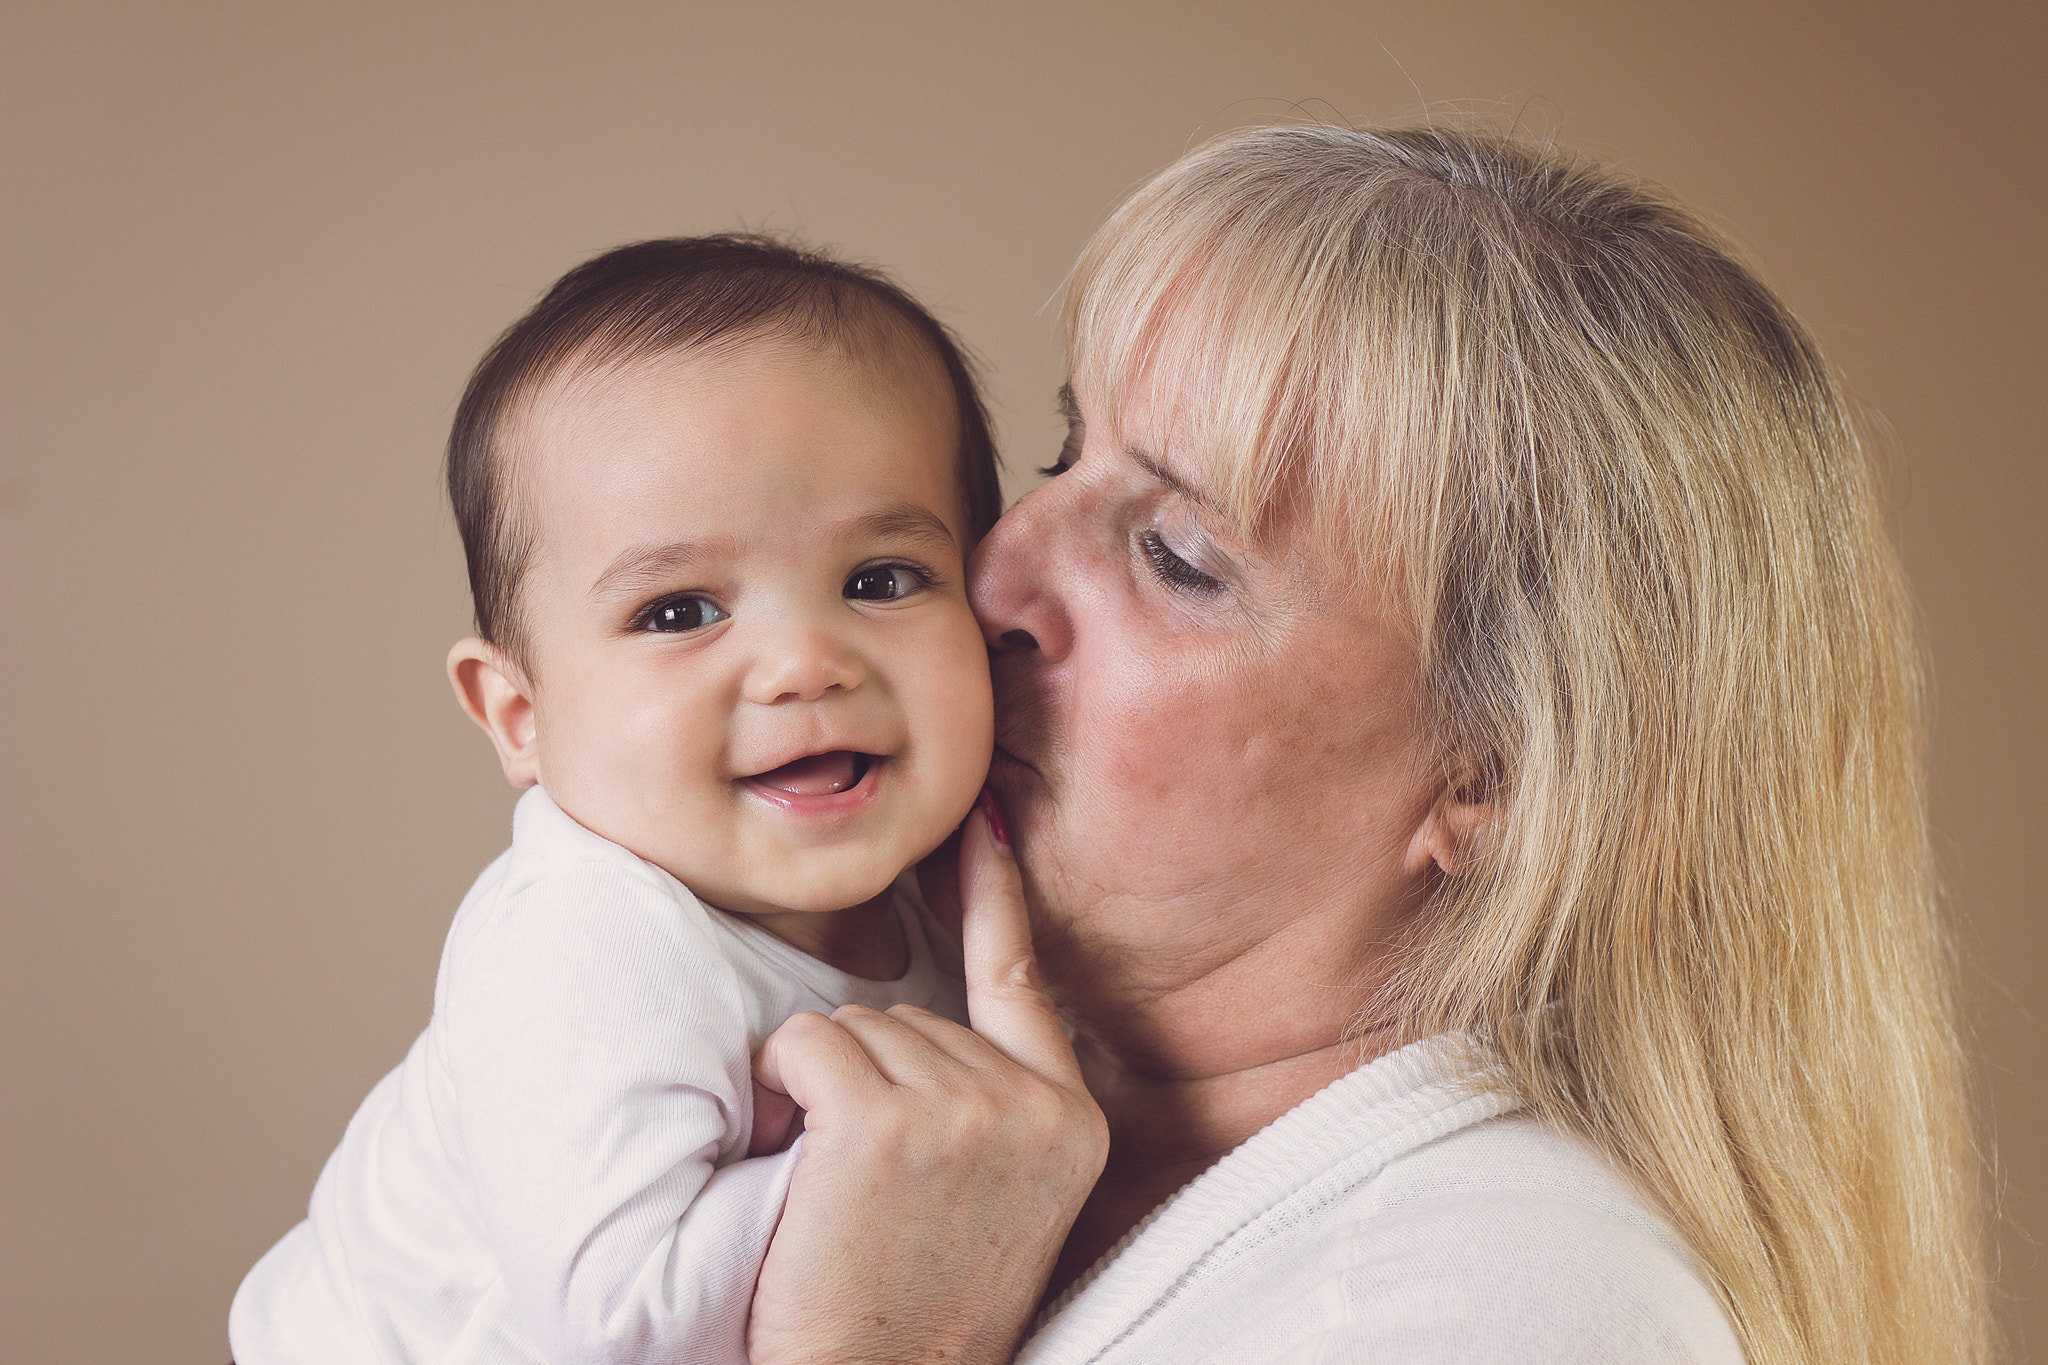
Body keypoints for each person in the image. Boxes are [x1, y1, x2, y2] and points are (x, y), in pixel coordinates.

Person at [741, 127, 1991, 1365]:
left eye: (1177, 557)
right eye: (1062, 456)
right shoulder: (902, 1091)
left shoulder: (1519, 1316)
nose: (993, 567)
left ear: (1494, 778)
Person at [229, 235, 1004, 1364]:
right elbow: (622, 1336)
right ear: (519, 717)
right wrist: (889, 1170)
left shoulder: (946, 899)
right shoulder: (586, 940)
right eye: (680, 611)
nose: (803, 664)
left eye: (880, 580)